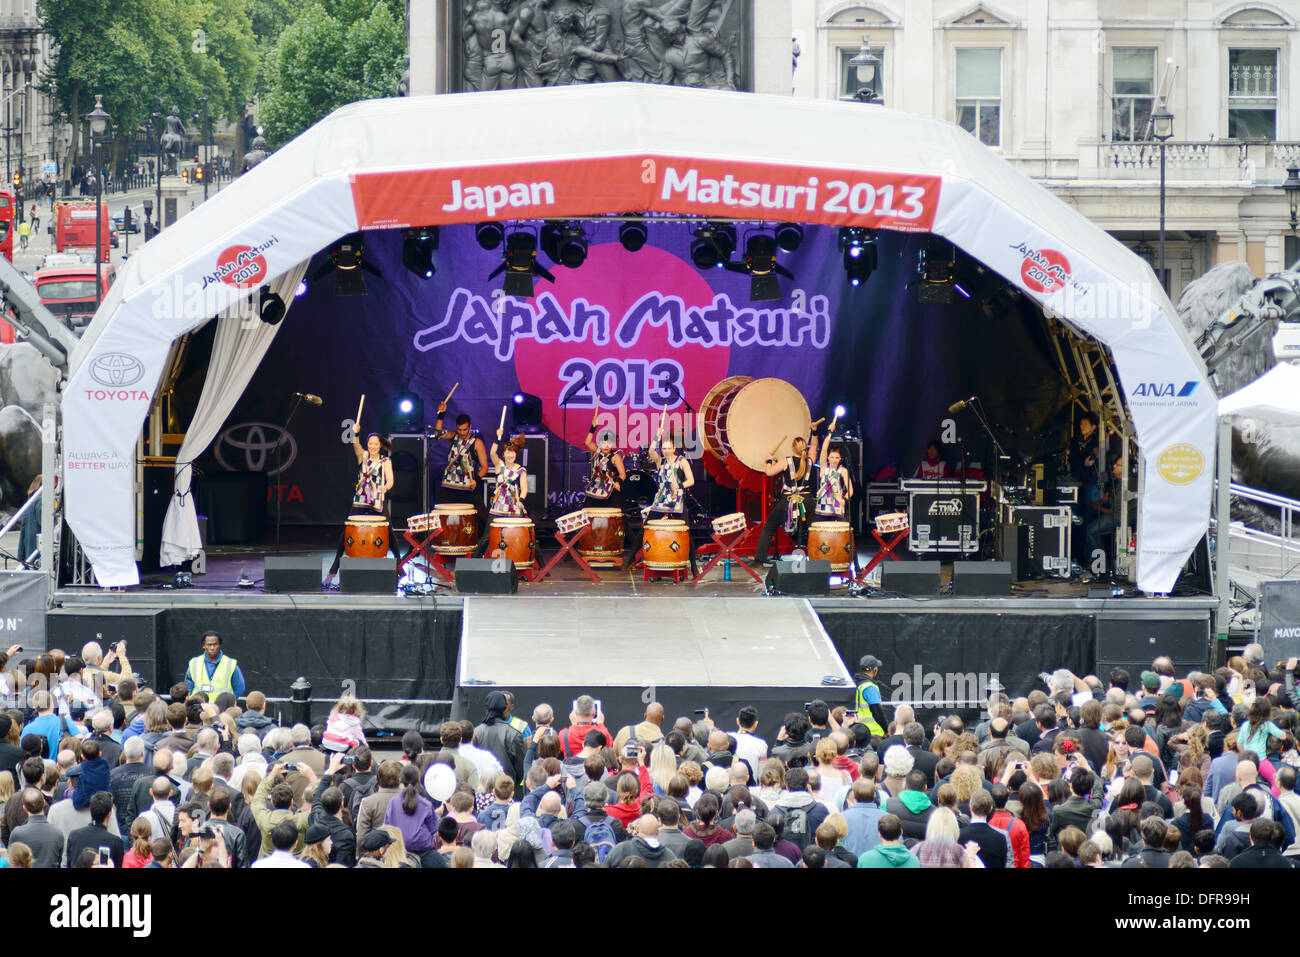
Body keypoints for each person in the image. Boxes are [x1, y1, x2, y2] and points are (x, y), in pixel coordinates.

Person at [327, 431, 395, 583]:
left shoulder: (385, 462)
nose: (372, 446)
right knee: (346, 532)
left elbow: (390, 480)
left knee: (388, 531)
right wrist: (356, 433)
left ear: (380, 446)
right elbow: (355, 445)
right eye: (370, 443)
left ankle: (399, 568)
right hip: (360, 500)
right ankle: (333, 570)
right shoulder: (362, 456)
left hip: (377, 501)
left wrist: (385, 487)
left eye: (375, 444)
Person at [754, 432, 817, 565]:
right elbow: (815, 446)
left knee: (769, 528)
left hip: (789, 500)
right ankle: (817, 558)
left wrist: (769, 461)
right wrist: (814, 432)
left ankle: (759, 559)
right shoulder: (810, 461)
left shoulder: (786, 461)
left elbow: (769, 472)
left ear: (793, 448)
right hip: (807, 499)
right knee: (813, 529)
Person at [474, 430, 529, 558]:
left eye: (512, 452)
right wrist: (497, 437)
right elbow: (492, 452)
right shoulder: (499, 466)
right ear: (503, 454)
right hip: (497, 509)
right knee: (486, 537)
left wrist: (521, 500)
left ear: (516, 453)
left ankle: (541, 566)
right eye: (507, 452)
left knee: (524, 535)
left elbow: (524, 489)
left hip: (513, 509)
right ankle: (473, 561)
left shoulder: (521, 470)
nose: (510, 455)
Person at [432, 404, 488, 504]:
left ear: (470, 427)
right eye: (459, 429)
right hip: (449, 484)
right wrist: (441, 414)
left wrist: (476, 480)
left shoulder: (477, 442)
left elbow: (485, 467)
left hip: (468, 485)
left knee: (479, 515)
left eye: (465, 430)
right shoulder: (453, 436)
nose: (462, 433)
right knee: (440, 512)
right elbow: (438, 433)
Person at [583, 410, 626, 508]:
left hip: (610, 488)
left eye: (609, 443)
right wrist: (593, 427)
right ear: (599, 444)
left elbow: (622, 474)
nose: (606, 446)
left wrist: (618, 482)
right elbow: (587, 443)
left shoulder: (615, 457)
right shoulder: (597, 451)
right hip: (595, 487)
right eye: (603, 443)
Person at [184, 631, 244, 699]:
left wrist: (228, 702)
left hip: (222, 708)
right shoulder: (194, 663)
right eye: (209, 645)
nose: (212, 648)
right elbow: (188, 686)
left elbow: (240, 688)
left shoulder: (230, 664)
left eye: (215, 644)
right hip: (199, 707)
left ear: (220, 645)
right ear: (203, 646)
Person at [814, 424, 853, 520]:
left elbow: (850, 490)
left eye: (837, 458)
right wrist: (829, 433)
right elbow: (823, 449)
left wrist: (844, 499)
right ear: (828, 457)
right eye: (832, 457)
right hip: (823, 509)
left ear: (840, 459)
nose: (834, 460)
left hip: (837, 507)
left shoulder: (843, 470)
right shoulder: (823, 467)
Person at [853, 655, 888, 739]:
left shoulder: (860, 684)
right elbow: (877, 711)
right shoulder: (869, 687)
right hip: (874, 733)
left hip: (863, 731)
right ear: (875, 669)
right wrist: (886, 730)